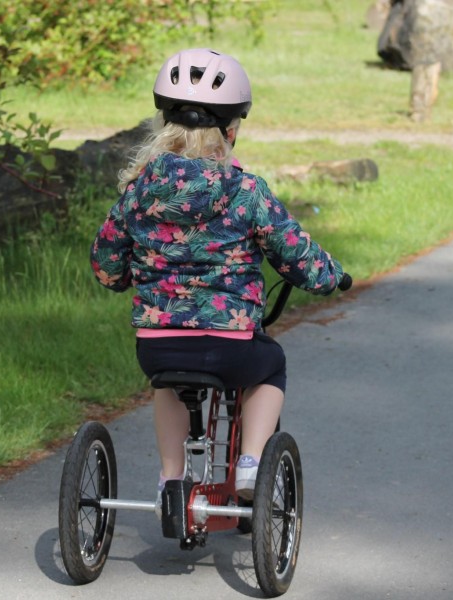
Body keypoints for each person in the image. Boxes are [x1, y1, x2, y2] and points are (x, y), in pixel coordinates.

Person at [90, 48, 346, 508]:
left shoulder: (138, 192)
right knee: (271, 367)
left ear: (164, 125)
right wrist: (330, 277)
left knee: (166, 383)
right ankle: (251, 464)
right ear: (230, 130)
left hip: (158, 343)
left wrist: (124, 277)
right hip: (232, 343)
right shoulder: (247, 191)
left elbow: (106, 264)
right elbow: (295, 253)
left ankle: (172, 480)